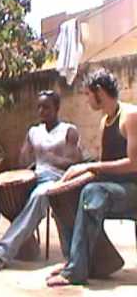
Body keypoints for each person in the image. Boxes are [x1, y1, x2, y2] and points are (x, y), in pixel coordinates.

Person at [0, 90, 82, 271]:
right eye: (39, 107)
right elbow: (23, 161)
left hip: (56, 179)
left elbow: (74, 161)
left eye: (46, 108)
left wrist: (51, 158)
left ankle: (2, 252)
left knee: (39, 196)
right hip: (34, 176)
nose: (41, 112)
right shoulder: (34, 131)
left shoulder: (68, 131)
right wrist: (26, 152)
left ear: (57, 108)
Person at [47, 69, 137, 287]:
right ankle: (74, 259)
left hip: (132, 189)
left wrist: (92, 167)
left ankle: (75, 272)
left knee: (92, 193)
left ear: (99, 92)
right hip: (115, 187)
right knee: (62, 194)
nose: (86, 99)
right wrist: (78, 172)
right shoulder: (105, 120)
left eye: (88, 94)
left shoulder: (130, 116)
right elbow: (105, 165)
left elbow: (133, 163)